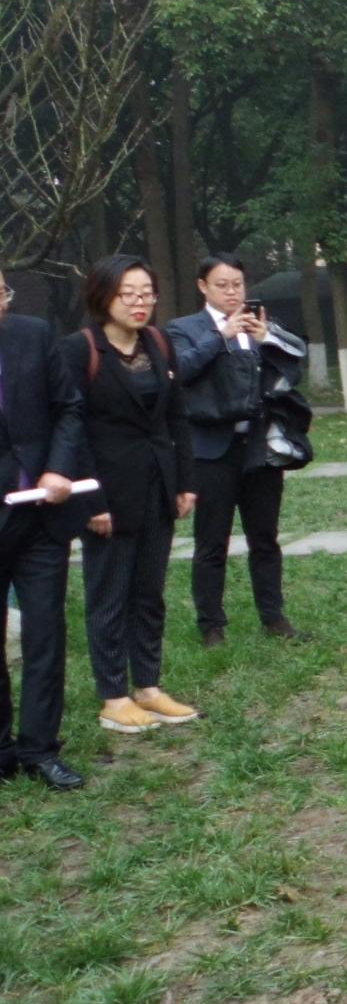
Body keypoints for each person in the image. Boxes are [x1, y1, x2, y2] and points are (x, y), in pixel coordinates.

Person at [63, 256, 199, 737]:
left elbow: (176, 418)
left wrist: (185, 481)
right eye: (129, 294)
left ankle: (148, 685)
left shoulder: (159, 345)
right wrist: (91, 500)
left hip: (158, 487)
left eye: (147, 293)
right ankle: (113, 695)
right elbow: (71, 429)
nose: (140, 303)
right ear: (104, 297)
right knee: (109, 596)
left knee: (149, 593)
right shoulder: (81, 350)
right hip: (107, 496)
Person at [168, 254, 308, 647]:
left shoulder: (261, 325)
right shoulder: (184, 329)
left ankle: (274, 616)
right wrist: (222, 335)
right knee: (211, 541)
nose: (232, 293)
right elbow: (181, 372)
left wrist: (269, 339)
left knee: (265, 536)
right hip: (211, 450)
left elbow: (293, 369)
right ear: (203, 287)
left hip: (259, 447)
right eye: (222, 285)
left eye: (238, 285)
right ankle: (211, 624)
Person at [0, 266, 87, 791]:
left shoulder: (33, 334)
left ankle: (39, 748)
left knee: (44, 631)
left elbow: (69, 409)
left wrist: (58, 469)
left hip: (40, 514)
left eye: (1, 291)